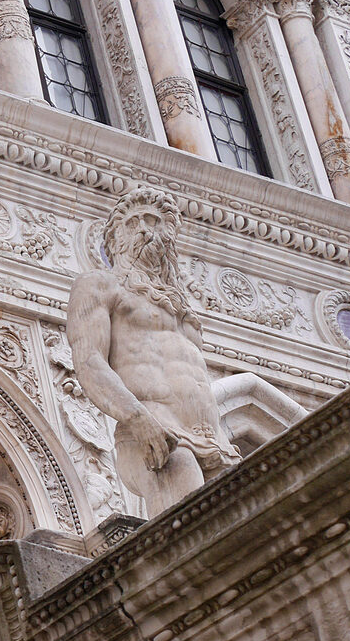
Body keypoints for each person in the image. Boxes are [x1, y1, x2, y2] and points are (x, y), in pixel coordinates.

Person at [66, 187, 238, 516]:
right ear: (114, 240)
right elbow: (89, 361)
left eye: (154, 222)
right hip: (151, 430)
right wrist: (138, 418)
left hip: (214, 440)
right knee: (188, 507)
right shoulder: (100, 285)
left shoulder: (180, 305)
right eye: (134, 223)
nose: (146, 229)